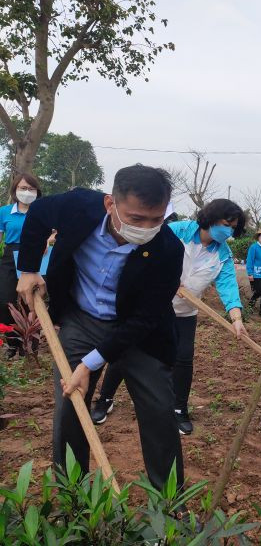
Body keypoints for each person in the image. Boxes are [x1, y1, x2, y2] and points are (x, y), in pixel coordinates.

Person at [16, 165, 184, 490]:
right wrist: (27, 269)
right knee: (70, 403)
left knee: (160, 410)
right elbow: (37, 214)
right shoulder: (79, 206)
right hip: (82, 318)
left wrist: (89, 364)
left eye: (156, 219)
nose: (147, 228)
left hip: (139, 334)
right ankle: (73, 496)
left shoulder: (168, 250)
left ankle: (168, 506)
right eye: (136, 219)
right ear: (110, 204)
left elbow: (144, 319)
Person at [91, 199, 249, 436]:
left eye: (232, 227)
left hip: (185, 313)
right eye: (226, 224)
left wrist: (236, 318)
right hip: (152, 307)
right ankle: (105, 398)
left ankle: (179, 409)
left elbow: (228, 287)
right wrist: (166, 278)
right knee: (125, 351)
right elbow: (144, 253)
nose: (228, 231)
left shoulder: (223, 255)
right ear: (211, 219)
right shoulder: (177, 231)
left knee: (183, 359)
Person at [0, 174, 43, 357]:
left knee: (31, 301)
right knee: (5, 300)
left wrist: (48, 241)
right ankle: (12, 344)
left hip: (34, 254)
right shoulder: (4, 211)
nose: (27, 192)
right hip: (10, 256)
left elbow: (54, 234)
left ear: (37, 192)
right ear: (15, 191)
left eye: (30, 189)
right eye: (23, 188)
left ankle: (30, 345)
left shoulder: (42, 211)